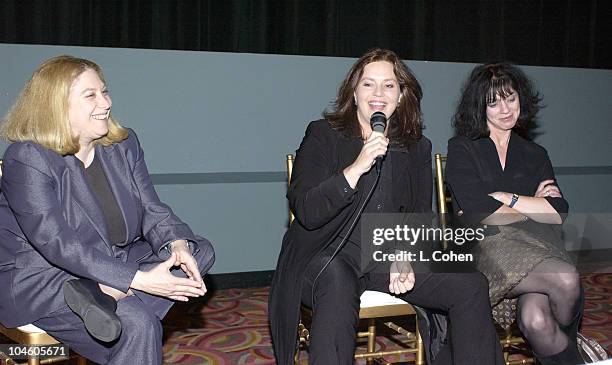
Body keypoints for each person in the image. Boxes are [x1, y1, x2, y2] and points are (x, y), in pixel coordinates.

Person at [269, 48, 504, 365]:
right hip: (325, 254)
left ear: (402, 94)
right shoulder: (323, 134)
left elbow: (420, 214)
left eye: (389, 85)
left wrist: (403, 256)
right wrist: (357, 167)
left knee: (471, 284)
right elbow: (307, 210)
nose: (378, 94)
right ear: (354, 92)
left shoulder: (417, 146)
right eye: (368, 84)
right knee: (337, 281)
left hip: (383, 253)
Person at [0, 55, 215, 365]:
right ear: (56, 105)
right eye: (91, 95)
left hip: (108, 261)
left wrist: (176, 243)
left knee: (198, 251)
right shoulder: (28, 158)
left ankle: (102, 295)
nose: (105, 102)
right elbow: (56, 243)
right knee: (137, 326)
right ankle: (108, 299)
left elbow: (152, 209)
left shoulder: (122, 145)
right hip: (46, 277)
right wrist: (135, 280)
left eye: (105, 91)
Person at [445, 62, 584, 364]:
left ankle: (565, 349)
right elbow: (480, 212)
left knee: (536, 320)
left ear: (521, 99)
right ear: (479, 107)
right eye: (493, 102)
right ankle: (575, 351)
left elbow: (558, 212)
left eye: (510, 98)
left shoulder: (535, 154)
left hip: (538, 247)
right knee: (565, 278)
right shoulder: (462, 148)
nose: (505, 109)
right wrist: (533, 205)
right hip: (484, 249)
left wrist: (507, 198)